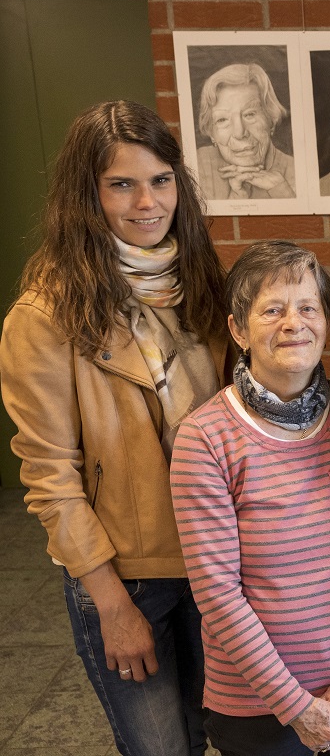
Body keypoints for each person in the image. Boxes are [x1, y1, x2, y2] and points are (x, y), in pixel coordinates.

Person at [0, 100, 229, 755]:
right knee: (163, 747)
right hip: (129, 575)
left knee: (235, 736)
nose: (146, 202)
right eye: (121, 184)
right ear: (87, 194)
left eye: (160, 180)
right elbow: (50, 481)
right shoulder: (45, 315)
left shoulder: (203, 282)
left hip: (216, 563)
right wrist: (111, 601)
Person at [171, 240, 330, 755]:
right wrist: (297, 706)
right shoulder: (205, 438)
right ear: (238, 329)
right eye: (273, 310)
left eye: (308, 307)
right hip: (259, 709)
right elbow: (217, 594)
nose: (293, 323)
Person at [195, 62, 296, 200]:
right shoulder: (200, 164)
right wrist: (238, 197)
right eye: (223, 120)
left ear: (271, 120)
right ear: (212, 134)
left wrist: (282, 191)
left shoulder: (296, 170)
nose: (239, 133)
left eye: (249, 114)